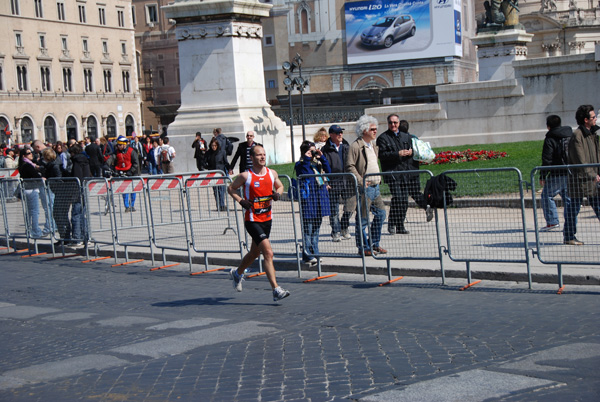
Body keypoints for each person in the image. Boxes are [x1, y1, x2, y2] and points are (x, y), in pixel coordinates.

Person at [227, 145, 290, 301]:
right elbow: (231, 188)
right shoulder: (245, 176)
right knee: (268, 252)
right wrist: (241, 201)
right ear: (252, 158)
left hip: (267, 219)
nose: (262, 157)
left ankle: (237, 273)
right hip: (252, 220)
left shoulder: (271, 173)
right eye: (259, 155)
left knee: (255, 253)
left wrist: (278, 194)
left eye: (264, 154)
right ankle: (276, 289)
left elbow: (280, 185)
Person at [376, 115, 433, 235]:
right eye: (391, 123)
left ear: (398, 123)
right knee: (398, 198)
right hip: (393, 173)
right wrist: (398, 154)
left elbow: (416, 149)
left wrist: (412, 151)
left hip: (406, 173)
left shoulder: (407, 136)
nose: (393, 125)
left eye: (395, 122)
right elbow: (382, 155)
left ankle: (400, 225)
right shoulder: (383, 138)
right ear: (388, 123)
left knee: (404, 201)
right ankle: (392, 224)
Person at [346, 115, 387, 256]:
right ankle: (363, 247)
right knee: (363, 219)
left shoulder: (373, 145)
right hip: (365, 188)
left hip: (376, 187)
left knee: (381, 214)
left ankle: (374, 243)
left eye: (376, 129)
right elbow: (350, 166)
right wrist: (361, 180)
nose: (375, 131)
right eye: (372, 129)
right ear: (364, 130)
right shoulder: (356, 146)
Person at [563, 105, 600, 245]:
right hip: (580, 180)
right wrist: (592, 174)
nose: (595, 118)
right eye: (593, 117)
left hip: (592, 179)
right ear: (586, 120)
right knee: (574, 209)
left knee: (598, 206)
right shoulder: (577, 136)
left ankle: (569, 236)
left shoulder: (593, 134)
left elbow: (597, 155)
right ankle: (569, 236)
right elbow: (580, 160)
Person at [295, 140, 331, 264]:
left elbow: (329, 172)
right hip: (309, 200)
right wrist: (306, 159)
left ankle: (315, 252)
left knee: (316, 229)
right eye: (311, 151)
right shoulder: (300, 164)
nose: (313, 153)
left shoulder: (317, 164)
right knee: (308, 229)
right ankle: (307, 255)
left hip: (319, 200)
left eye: (314, 150)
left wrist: (322, 157)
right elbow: (304, 173)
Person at [321, 124, 355, 242]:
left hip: (347, 181)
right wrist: (325, 182)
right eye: (337, 133)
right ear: (331, 135)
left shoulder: (346, 146)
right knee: (334, 210)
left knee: (350, 207)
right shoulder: (325, 150)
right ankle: (336, 232)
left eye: (341, 132)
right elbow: (322, 167)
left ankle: (344, 226)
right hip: (333, 183)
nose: (340, 134)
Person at [539, 115, 572, 231]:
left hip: (557, 172)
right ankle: (570, 222)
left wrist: (542, 176)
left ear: (548, 126)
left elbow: (547, 159)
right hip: (570, 171)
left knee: (547, 195)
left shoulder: (550, 138)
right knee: (568, 198)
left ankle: (552, 221)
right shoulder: (569, 135)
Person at [18, 148, 48, 239]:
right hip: (31, 189)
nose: (31, 154)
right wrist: (41, 177)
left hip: (27, 189)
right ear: (24, 156)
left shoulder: (24, 164)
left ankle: (29, 229)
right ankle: (35, 231)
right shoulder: (27, 165)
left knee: (30, 211)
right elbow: (35, 175)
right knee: (35, 211)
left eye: (31, 153)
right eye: (29, 153)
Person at [108, 135, 139, 212]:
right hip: (122, 172)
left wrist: (130, 171)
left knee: (133, 190)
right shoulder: (116, 152)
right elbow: (112, 160)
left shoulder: (132, 151)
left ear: (124, 144)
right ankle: (126, 206)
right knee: (124, 190)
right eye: (118, 145)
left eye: (120, 145)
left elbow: (136, 163)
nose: (118, 146)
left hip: (132, 173)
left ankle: (132, 205)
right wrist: (107, 165)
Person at [205, 138, 230, 211]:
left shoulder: (222, 152)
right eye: (212, 145)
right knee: (215, 190)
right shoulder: (208, 153)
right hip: (212, 173)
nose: (213, 147)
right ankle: (218, 205)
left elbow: (226, 162)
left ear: (217, 145)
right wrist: (206, 167)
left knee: (221, 189)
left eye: (215, 145)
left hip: (220, 173)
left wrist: (229, 169)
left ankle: (222, 205)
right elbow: (205, 162)